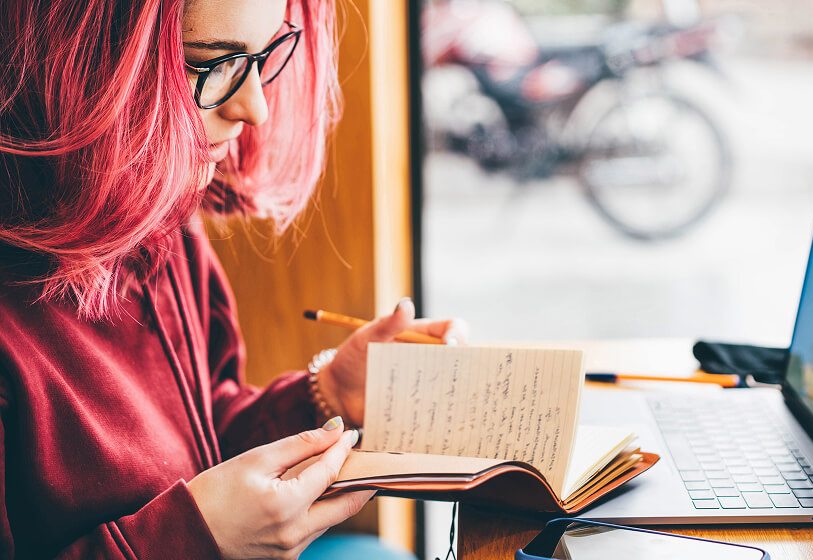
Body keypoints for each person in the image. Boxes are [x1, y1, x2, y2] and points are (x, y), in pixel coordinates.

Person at [0, 0, 465, 558]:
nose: (256, 108)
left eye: (262, 55)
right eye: (211, 64)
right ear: (75, 60)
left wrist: (324, 396)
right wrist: (195, 541)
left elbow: (197, 440)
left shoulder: (161, 227)